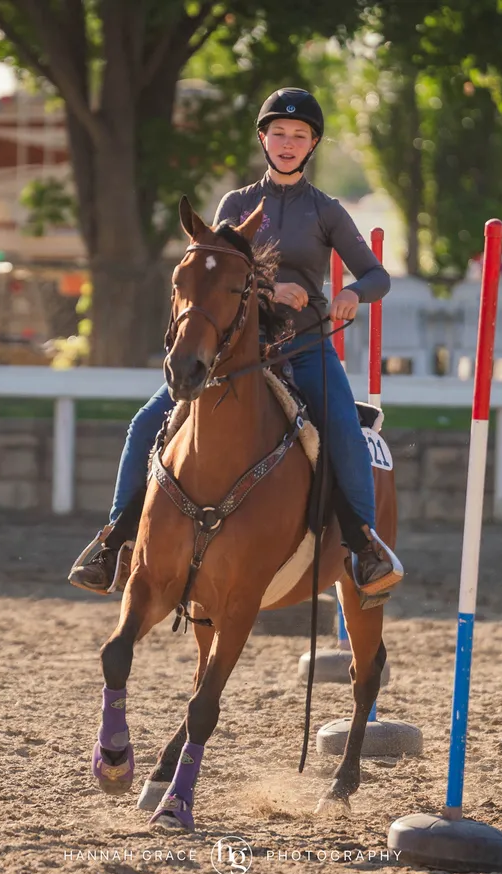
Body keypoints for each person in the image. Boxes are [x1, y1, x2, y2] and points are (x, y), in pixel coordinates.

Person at [68, 87, 404, 604]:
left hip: (306, 346)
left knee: (342, 430)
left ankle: (364, 547)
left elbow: (377, 275)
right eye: (279, 133)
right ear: (263, 139)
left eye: (299, 135)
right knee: (144, 423)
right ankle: (115, 541)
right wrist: (272, 289)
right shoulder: (237, 203)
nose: (288, 143)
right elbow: (215, 274)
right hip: (234, 350)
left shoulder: (327, 211)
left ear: (313, 144)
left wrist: (353, 294)